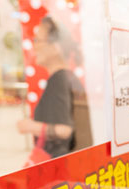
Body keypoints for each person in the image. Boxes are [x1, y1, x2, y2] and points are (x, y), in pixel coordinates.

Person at [16, 16, 90, 160]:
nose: (34, 46)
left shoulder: (59, 80)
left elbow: (65, 130)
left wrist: (31, 126)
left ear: (56, 47)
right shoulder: (68, 78)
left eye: (38, 40)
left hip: (58, 165)